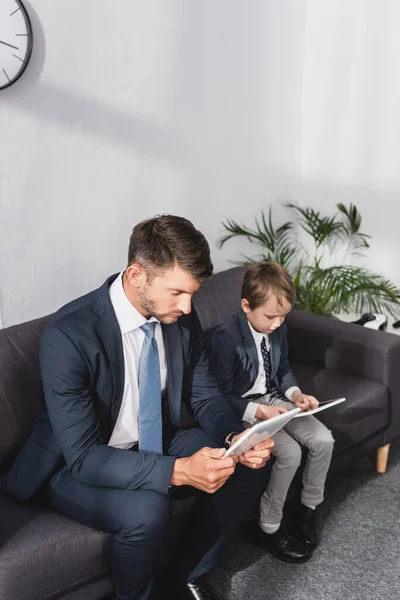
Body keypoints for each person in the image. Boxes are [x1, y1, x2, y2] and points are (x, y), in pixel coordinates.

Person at [6, 215, 273, 600]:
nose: (187, 306)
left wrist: (237, 437)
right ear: (136, 275)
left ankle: (181, 577)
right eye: (177, 293)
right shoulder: (68, 336)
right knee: (148, 511)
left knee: (243, 468)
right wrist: (179, 471)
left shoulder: (180, 315)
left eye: (192, 294)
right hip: (74, 464)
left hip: (156, 438)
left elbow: (205, 394)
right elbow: (83, 456)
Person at [209, 261, 334, 563]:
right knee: (289, 453)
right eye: (270, 316)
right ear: (246, 306)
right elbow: (220, 393)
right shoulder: (225, 338)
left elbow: (282, 369)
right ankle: (268, 525)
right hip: (246, 409)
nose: (277, 323)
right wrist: (257, 409)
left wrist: (296, 394)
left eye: (283, 316)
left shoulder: (277, 328)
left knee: (324, 440)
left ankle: (306, 509)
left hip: (277, 399)